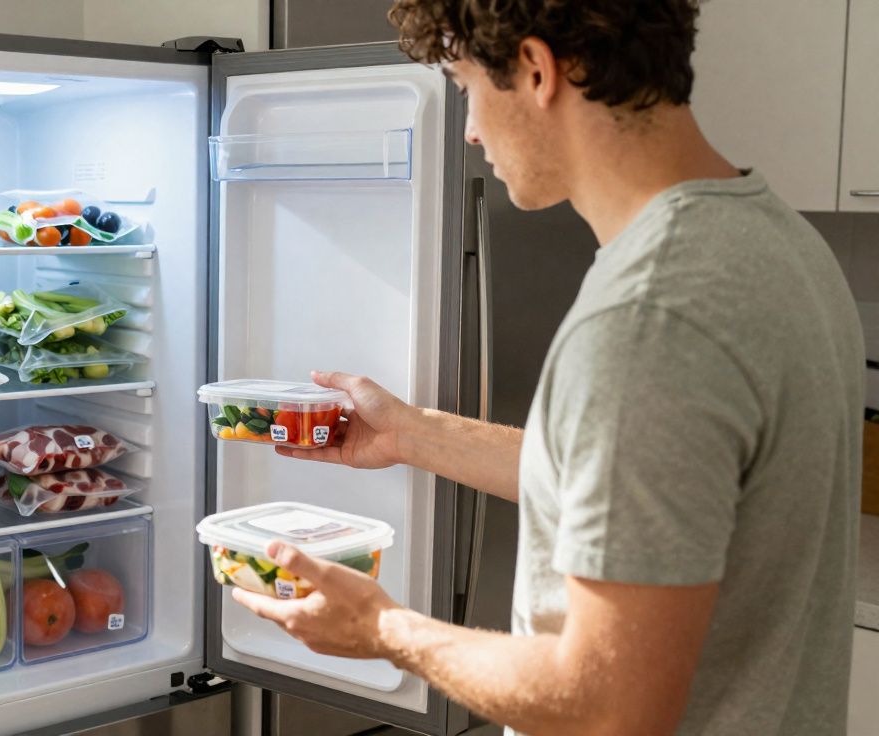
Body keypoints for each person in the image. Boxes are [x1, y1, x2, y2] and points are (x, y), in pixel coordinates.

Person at [229, 2, 866, 734]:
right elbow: (636, 484)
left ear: (536, 71)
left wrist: (383, 631)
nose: (469, 129)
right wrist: (410, 434)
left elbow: (608, 707)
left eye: (467, 86)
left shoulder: (648, 317)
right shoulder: (776, 242)